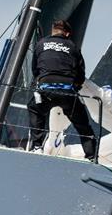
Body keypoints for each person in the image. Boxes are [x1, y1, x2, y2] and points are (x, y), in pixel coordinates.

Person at [27, 19, 97, 160]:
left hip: (45, 90)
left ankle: (37, 147)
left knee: (34, 108)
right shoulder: (73, 47)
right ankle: (91, 156)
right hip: (67, 92)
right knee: (83, 124)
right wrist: (74, 88)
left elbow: (35, 70)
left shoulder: (41, 44)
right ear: (67, 33)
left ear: (53, 31)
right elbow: (80, 75)